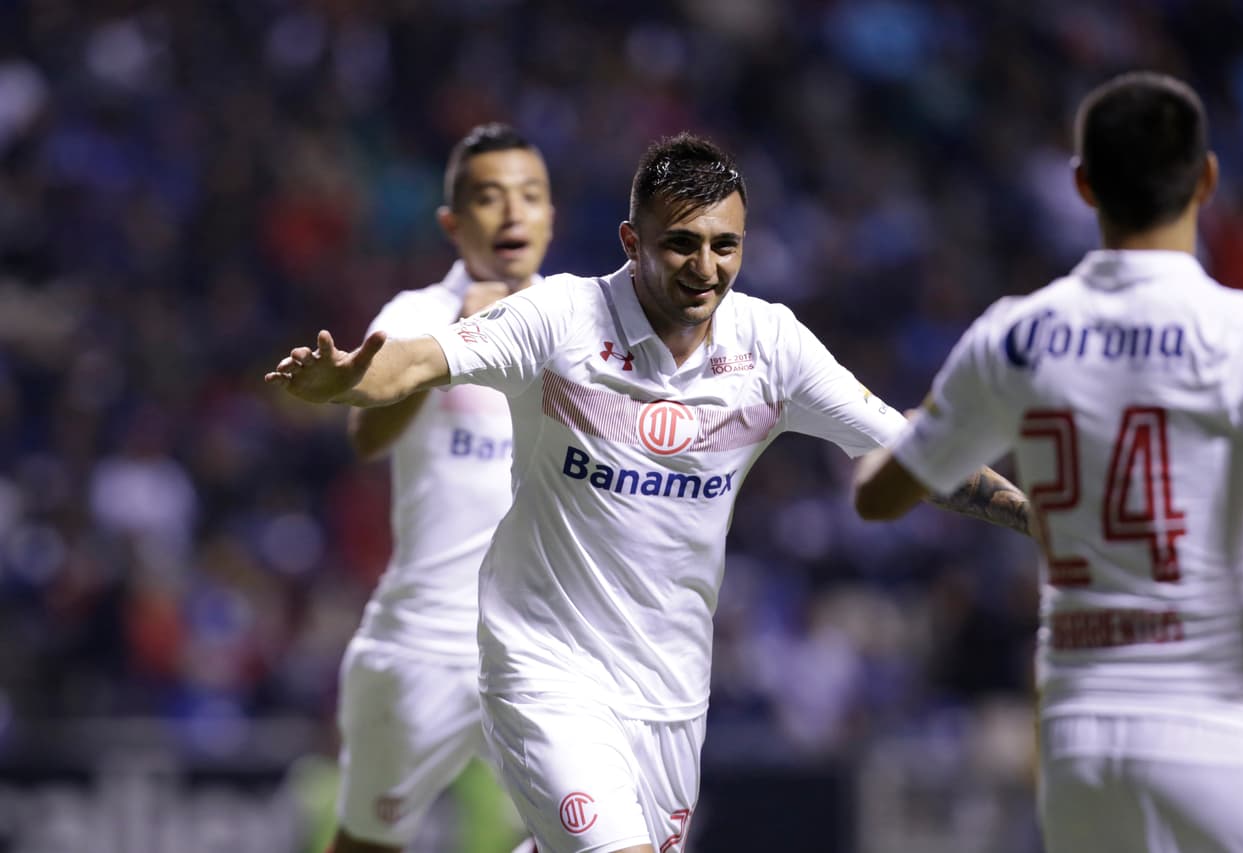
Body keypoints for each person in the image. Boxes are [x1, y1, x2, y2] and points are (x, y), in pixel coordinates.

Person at [268, 133, 1029, 853]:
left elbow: (915, 451)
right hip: (545, 670)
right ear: (633, 242)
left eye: (724, 246)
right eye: (681, 244)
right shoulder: (560, 318)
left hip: (669, 692)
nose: (705, 267)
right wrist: (349, 380)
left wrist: (1038, 519)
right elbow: (415, 362)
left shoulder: (770, 346)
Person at [855, 71, 1243, 852]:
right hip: (1221, 716)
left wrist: (916, 438)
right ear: (1208, 179)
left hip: (1081, 744)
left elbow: (878, 496)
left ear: (1084, 185)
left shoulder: (1017, 335)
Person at [331, 123, 554, 853]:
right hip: (424, 640)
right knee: (366, 845)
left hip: (544, 647)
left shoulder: (585, 325)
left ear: (552, 214)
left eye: (530, 196)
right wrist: (454, 346)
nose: (513, 213)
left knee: (621, 836)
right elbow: (367, 435)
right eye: (490, 198)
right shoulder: (416, 316)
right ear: (454, 223)